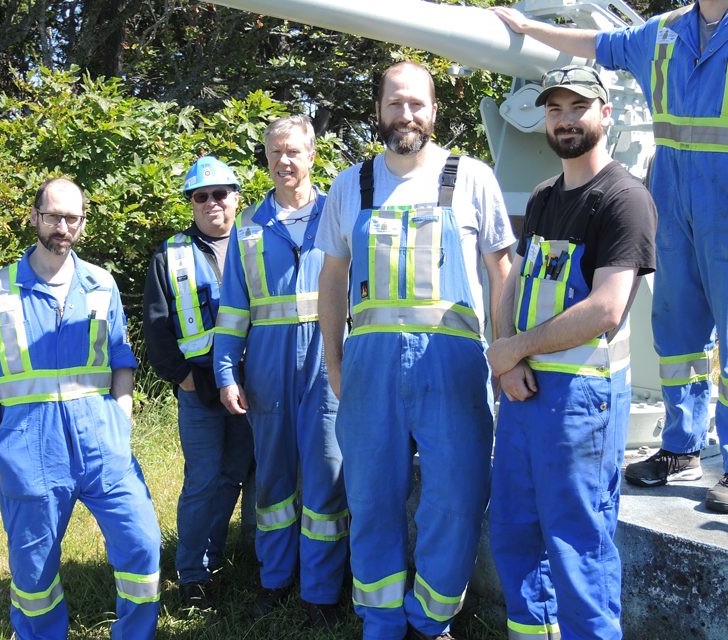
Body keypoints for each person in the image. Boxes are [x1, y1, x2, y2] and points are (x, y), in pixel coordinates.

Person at [494, 0, 728, 513]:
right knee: (676, 334)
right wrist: (527, 26)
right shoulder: (664, 30)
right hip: (672, 202)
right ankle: (681, 448)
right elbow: (594, 44)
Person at [316, 61, 515, 640]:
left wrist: (504, 353)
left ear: (434, 111)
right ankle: (380, 620)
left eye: (417, 104)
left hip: (455, 370)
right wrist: (334, 363)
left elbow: (501, 269)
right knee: (372, 497)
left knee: (456, 498)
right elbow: (332, 281)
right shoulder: (350, 185)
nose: (406, 115)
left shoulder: (472, 177)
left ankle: (431, 620)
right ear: (378, 109)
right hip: (369, 370)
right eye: (395, 103)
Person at [485, 66, 656, 640]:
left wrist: (513, 350)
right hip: (525, 395)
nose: (564, 119)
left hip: (581, 402)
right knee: (513, 529)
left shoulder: (625, 199)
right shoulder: (542, 197)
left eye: (577, 107)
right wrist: (508, 359)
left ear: (605, 114)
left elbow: (607, 308)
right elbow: (513, 282)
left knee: (577, 542)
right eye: (554, 109)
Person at [0, 178, 161, 639]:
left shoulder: (100, 284)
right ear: (34, 217)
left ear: (82, 223)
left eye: (72, 217)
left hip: (101, 444)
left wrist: (121, 421)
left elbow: (121, 361)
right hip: (30, 450)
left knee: (142, 543)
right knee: (33, 573)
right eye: (53, 215)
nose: (62, 226)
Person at [212, 114, 349, 628]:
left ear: (312, 154)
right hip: (267, 370)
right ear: (266, 159)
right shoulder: (248, 229)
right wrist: (226, 373)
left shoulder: (338, 217)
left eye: (293, 151)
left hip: (326, 365)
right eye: (274, 153)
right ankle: (274, 581)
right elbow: (232, 312)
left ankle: (320, 592)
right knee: (271, 482)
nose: (284, 161)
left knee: (326, 479)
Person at [142, 156, 255, 611]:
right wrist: (184, 379)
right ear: (191, 202)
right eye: (201, 196)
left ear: (236, 198)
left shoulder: (256, 245)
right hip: (200, 388)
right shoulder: (169, 254)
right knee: (204, 479)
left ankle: (232, 560)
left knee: (240, 476)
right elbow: (155, 324)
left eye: (220, 193)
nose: (212, 202)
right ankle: (192, 575)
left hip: (254, 384)